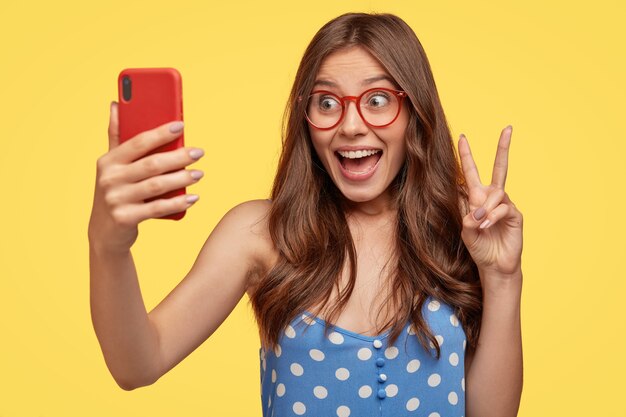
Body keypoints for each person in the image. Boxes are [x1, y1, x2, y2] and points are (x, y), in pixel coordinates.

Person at [88, 12, 523, 417]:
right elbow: (137, 365)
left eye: (376, 99)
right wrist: (108, 246)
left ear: (414, 112)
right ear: (305, 116)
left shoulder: (465, 229)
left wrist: (503, 279)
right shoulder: (260, 234)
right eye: (327, 102)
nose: (350, 125)